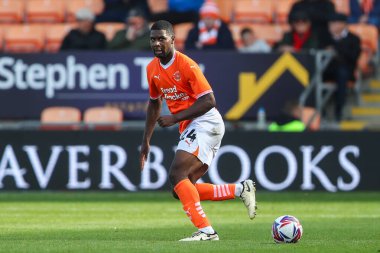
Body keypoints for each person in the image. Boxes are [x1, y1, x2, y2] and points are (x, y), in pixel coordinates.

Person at [140, 20, 256, 241]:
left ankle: (206, 231)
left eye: (161, 38)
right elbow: (154, 104)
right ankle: (240, 190)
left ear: (172, 40)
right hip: (191, 126)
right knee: (181, 188)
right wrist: (146, 140)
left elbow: (209, 100)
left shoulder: (186, 64)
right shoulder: (152, 68)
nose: (156, 43)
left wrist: (174, 117)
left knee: (176, 174)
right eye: (153, 39)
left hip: (205, 121)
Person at [324, 13, 361, 121]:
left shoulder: (353, 39)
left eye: (334, 23)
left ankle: (339, 109)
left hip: (346, 71)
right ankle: (318, 110)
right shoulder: (325, 38)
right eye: (330, 23)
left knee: (342, 73)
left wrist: (336, 51)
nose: (331, 26)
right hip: (327, 70)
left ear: (343, 24)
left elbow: (353, 57)